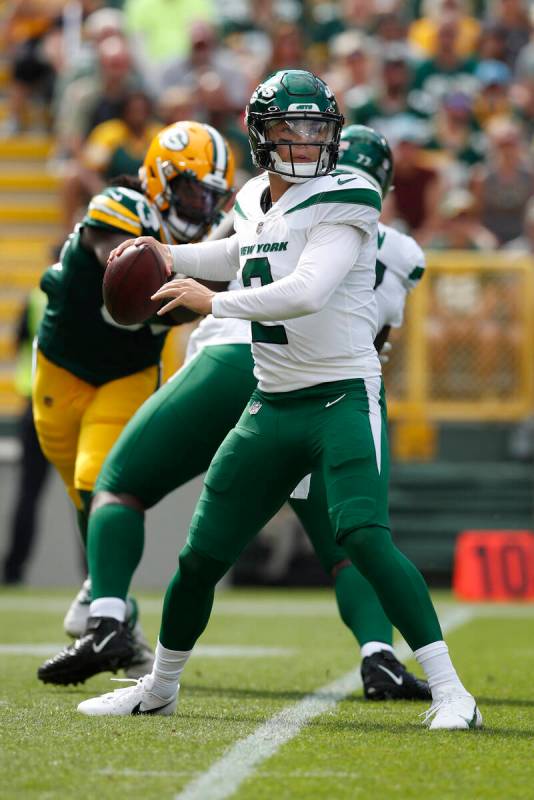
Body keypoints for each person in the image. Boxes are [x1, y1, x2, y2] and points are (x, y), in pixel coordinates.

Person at [47, 71, 481, 730]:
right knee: (199, 558)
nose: (305, 143)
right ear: (259, 136)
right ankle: (158, 686)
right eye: (290, 128)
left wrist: (209, 300)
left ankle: (452, 690)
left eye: (316, 129)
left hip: (338, 397)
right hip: (272, 402)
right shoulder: (254, 198)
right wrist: (172, 254)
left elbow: (307, 289)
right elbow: (240, 250)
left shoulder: (348, 194)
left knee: (362, 535)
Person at [32, 119, 235, 675]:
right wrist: (196, 268)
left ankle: (105, 619)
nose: (200, 205)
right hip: (59, 372)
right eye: (192, 190)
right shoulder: (122, 205)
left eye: (210, 196)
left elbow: (201, 297)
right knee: (86, 498)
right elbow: (123, 268)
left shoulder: (202, 246)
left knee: (101, 479)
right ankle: (109, 605)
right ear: (161, 179)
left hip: (125, 376)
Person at [2, 288, 49, 584]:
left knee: (28, 493)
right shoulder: (91, 290)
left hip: (34, 403)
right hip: (75, 402)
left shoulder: (35, 298)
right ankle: (93, 575)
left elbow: (17, 343)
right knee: (88, 493)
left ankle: (13, 572)